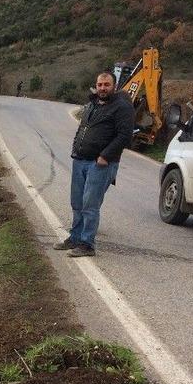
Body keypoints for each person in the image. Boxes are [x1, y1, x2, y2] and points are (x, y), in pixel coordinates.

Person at [53, 72, 134, 257]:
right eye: (100, 85)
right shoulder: (92, 104)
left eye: (106, 84)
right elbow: (83, 128)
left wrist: (105, 156)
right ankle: (74, 238)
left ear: (114, 86)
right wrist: (76, 147)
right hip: (80, 159)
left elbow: (125, 136)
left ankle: (87, 244)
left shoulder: (122, 107)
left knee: (90, 205)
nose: (103, 88)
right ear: (95, 86)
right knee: (77, 202)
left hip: (100, 164)